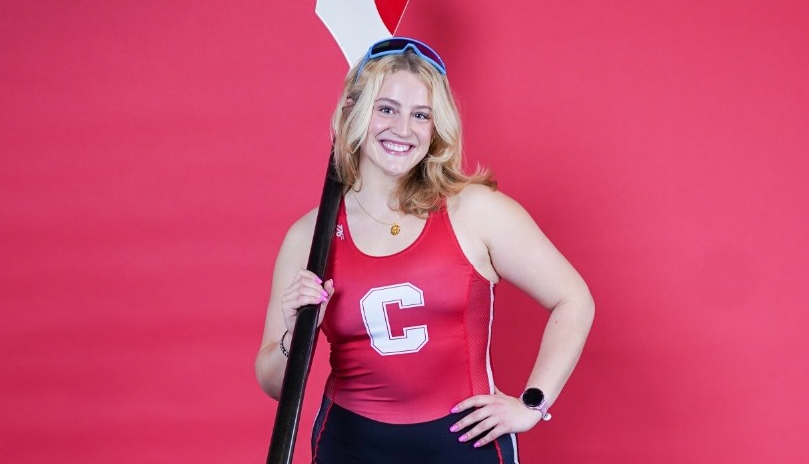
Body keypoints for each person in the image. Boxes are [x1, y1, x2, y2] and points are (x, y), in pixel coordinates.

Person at [255, 37, 594, 463]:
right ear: (354, 114)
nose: (403, 129)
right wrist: (294, 333)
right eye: (386, 109)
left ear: (436, 128)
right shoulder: (309, 237)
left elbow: (574, 299)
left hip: (461, 443)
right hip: (351, 445)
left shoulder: (474, 210)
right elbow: (273, 384)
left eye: (421, 115)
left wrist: (532, 404)